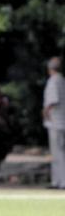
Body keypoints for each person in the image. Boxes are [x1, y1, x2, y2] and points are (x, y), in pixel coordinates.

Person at [43, 56, 65, 189]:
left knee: (57, 153)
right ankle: (57, 180)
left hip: (56, 122)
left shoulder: (53, 81)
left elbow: (53, 100)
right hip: (62, 120)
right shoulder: (62, 80)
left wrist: (45, 112)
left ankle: (60, 181)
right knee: (60, 152)